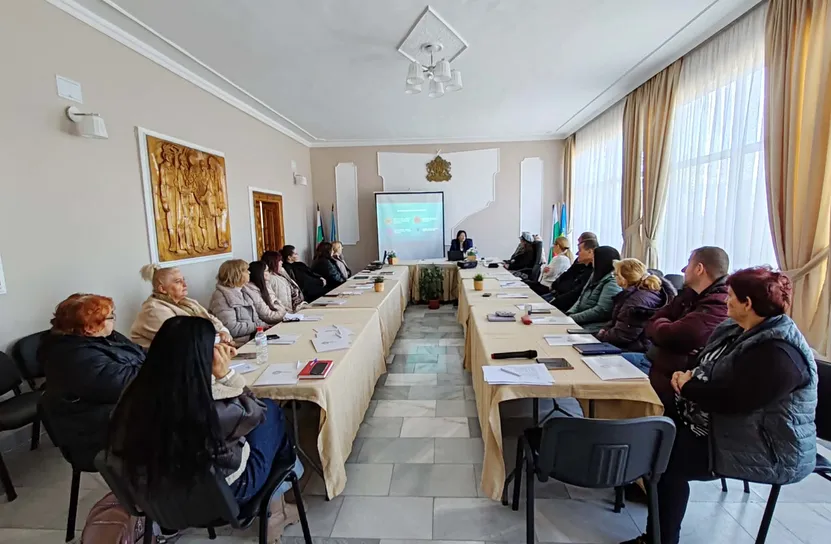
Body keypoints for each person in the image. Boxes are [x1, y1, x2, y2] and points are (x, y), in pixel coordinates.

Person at [622, 267, 817, 544]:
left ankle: (659, 537)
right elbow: (705, 364)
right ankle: (641, 482)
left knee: (664, 459)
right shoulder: (736, 329)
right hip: (723, 424)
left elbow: (734, 401)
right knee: (651, 424)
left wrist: (688, 386)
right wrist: (686, 376)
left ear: (747, 304)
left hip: (766, 447)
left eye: (731, 296)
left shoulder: (779, 354)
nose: (726, 300)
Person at [108, 316, 302, 541]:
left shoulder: (133, 393)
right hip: (225, 496)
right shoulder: (207, 409)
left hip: (156, 499)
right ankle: (280, 503)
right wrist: (226, 375)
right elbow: (255, 412)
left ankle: (283, 494)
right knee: (271, 413)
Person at [38, 294, 144, 471]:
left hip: (118, 414)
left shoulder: (106, 337)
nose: (114, 320)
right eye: (110, 317)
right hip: (98, 434)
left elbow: (140, 353)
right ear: (89, 327)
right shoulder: (74, 356)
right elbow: (131, 384)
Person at [623, 247, 730, 397]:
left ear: (699, 269)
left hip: (669, 376)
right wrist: (665, 325)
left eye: (688, 264)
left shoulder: (719, 304)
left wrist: (665, 326)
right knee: (601, 365)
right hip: (655, 361)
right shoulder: (689, 294)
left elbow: (672, 336)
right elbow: (653, 321)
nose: (683, 269)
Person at [131, 264, 231, 349]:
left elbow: (211, 319)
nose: (185, 284)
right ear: (162, 289)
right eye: (178, 281)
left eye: (184, 280)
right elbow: (183, 341)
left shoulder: (188, 302)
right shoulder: (153, 310)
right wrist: (219, 339)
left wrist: (223, 331)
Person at [596, 259, 676, 352]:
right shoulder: (641, 293)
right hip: (638, 345)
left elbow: (623, 335)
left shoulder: (635, 300)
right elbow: (619, 322)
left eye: (616, 275)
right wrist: (604, 330)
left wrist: (601, 335)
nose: (614, 277)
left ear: (624, 279)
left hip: (636, 348)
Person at [209, 259, 284, 343]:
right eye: (246, 270)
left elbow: (256, 318)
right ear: (236, 274)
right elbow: (232, 329)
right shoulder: (220, 297)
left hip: (255, 336)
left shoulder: (244, 291)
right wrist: (259, 326)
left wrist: (264, 326)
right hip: (240, 342)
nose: (249, 272)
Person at [566, 246, 622, 332]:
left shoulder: (613, 281)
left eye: (594, 258)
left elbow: (601, 310)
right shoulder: (594, 274)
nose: (592, 260)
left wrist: (572, 318)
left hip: (595, 326)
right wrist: (570, 313)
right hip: (581, 320)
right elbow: (581, 298)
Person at [541, 234, 597, 309]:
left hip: (564, 301)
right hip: (558, 293)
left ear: (590, 252)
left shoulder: (591, 272)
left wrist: (555, 301)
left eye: (580, 250)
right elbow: (566, 275)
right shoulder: (578, 263)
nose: (577, 253)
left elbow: (575, 293)